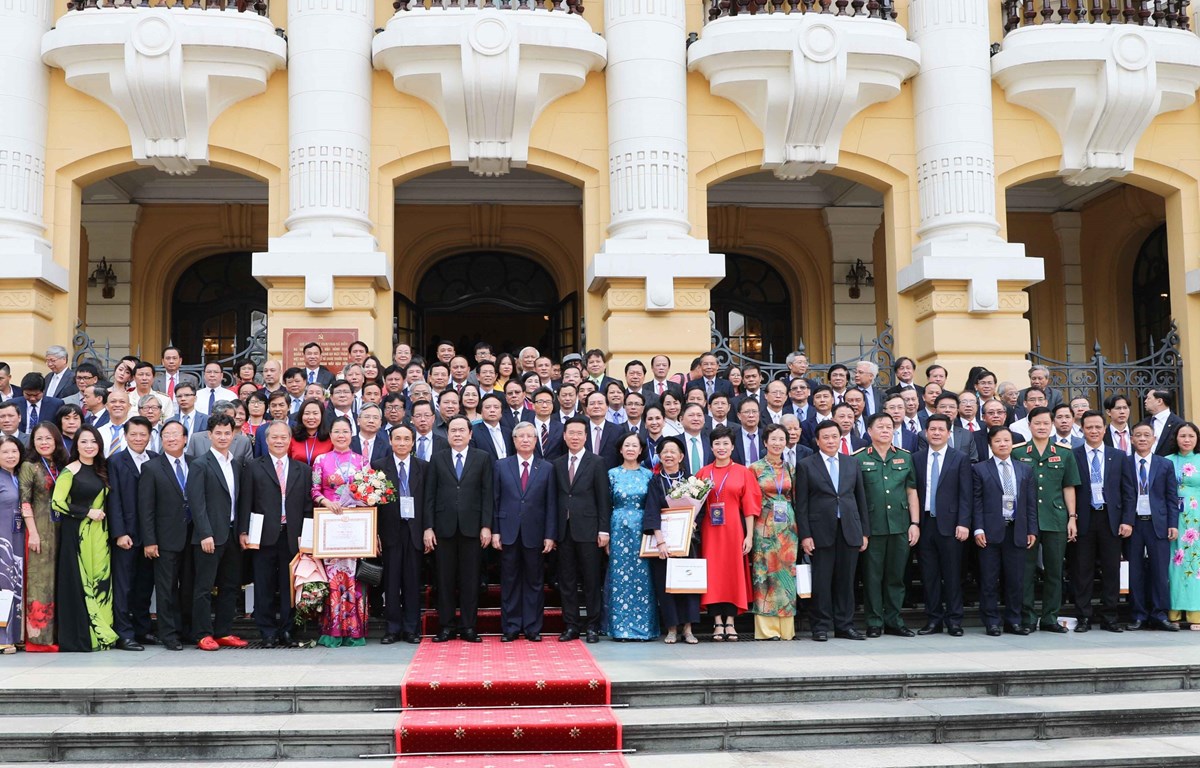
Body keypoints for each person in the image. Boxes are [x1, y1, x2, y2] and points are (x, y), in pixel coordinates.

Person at [795, 420, 869, 642]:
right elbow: (802, 504)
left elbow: (860, 498)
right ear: (817, 441)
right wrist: (805, 535)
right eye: (825, 437)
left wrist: (864, 531)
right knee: (822, 580)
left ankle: (845, 625)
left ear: (840, 439)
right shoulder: (806, 464)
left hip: (849, 529)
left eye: (834, 436)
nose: (830, 441)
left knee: (847, 581)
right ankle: (820, 626)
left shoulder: (851, 463)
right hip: (820, 531)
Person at [239, 420, 312, 647]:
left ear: (290, 440)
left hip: (293, 536)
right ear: (266, 440)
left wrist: (307, 537)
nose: (279, 441)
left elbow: (308, 506)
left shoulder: (303, 469)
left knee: (290, 586)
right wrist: (243, 531)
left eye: (283, 437)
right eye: (274, 437)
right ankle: (267, 632)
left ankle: (288, 630)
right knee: (264, 585)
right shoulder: (253, 466)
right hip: (262, 534)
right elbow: (245, 501)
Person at [424, 415, 493, 643]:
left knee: (470, 580)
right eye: (453, 430)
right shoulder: (438, 458)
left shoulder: (482, 458)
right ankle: (446, 626)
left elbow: (487, 495)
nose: (457, 434)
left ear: (470, 433)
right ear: (448, 433)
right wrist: (428, 528)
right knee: (444, 580)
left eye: (462, 430)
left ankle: (468, 627)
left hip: (473, 529)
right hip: (443, 530)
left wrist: (486, 526)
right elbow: (430, 496)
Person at [1013, 406, 1079, 633]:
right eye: (1037, 423)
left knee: (1054, 570)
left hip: (1056, 517)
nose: (1041, 427)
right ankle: (1028, 617)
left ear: (1052, 426)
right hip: (1026, 520)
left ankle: (1050, 617)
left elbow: (1069, 487)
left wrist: (1072, 518)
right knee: (1025, 571)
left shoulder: (1064, 452)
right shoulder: (1018, 451)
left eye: (1045, 423)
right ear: (1029, 426)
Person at [51, 424, 118, 652]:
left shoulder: (103, 469)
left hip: (100, 535)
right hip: (77, 534)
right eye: (83, 441)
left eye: (93, 442)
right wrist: (86, 512)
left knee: (101, 581)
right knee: (83, 582)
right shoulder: (70, 470)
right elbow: (57, 502)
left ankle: (103, 634)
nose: (89, 446)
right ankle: (88, 636)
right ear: (76, 445)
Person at [492, 422, 558, 642]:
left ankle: (532, 627)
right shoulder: (501, 465)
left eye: (530, 436)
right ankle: (510, 627)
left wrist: (550, 535)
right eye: (521, 436)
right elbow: (495, 500)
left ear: (536, 440)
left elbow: (551, 505)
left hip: (536, 534)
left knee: (534, 582)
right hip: (508, 532)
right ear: (514, 440)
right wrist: (495, 531)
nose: (526, 440)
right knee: (509, 581)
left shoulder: (547, 467)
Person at [187, 414, 248, 652]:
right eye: (218, 433)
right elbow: (196, 502)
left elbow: (238, 500)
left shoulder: (236, 463)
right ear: (209, 435)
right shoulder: (200, 464)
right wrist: (205, 533)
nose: (223, 437)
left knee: (230, 585)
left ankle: (223, 631)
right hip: (209, 536)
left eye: (227, 433)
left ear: (234, 435)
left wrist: (242, 531)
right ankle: (202, 633)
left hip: (232, 534)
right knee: (203, 587)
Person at [856, 413, 919, 638]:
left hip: (900, 526)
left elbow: (911, 491)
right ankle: (874, 621)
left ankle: (894, 620)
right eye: (880, 427)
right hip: (873, 528)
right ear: (869, 431)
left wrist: (915, 523)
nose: (885, 430)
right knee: (872, 576)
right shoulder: (859, 458)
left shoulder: (905, 457)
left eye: (889, 427)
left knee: (896, 576)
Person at [1072, 410, 1136, 633]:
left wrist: (1127, 520)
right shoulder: (1074, 454)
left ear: (1105, 428)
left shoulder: (1118, 456)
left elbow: (1129, 491)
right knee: (1082, 571)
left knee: (1111, 570)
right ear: (1082, 430)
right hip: (1084, 518)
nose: (1094, 431)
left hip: (1111, 519)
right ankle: (1084, 617)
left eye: (1098, 427)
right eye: (1089, 427)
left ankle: (1110, 617)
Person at [310, 418, 371, 647]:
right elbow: (314, 490)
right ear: (331, 434)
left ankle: (354, 629)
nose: (341, 435)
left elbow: (369, 492)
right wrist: (327, 502)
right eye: (337, 432)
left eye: (346, 431)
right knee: (334, 577)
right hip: (331, 525)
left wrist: (359, 505)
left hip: (354, 525)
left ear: (351, 434)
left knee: (354, 577)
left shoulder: (362, 461)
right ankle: (334, 629)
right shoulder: (321, 460)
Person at [696, 425, 761, 641]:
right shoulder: (704, 473)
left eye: (725, 443)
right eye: (717, 443)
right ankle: (716, 622)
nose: (721, 447)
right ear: (711, 447)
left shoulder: (743, 472)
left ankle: (731, 622)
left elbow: (750, 507)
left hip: (734, 530)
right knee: (713, 575)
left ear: (733, 446)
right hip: (710, 531)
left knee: (732, 574)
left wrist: (749, 535)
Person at [973, 426, 1038, 636]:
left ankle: (1014, 620)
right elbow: (977, 502)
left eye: (1007, 440)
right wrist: (978, 528)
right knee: (989, 580)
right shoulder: (980, 469)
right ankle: (991, 621)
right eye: (998, 441)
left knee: (1015, 579)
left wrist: (1032, 530)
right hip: (990, 532)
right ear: (991, 444)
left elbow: (1030, 504)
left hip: (1017, 530)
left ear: (1013, 443)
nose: (1003, 444)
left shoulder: (1024, 469)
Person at [553, 417, 611, 643]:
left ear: (586, 436)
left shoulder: (596, 462)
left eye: (579, 433)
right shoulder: (557, 463)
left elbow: (603, 499)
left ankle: (593, 626)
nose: (575, 437)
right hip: (564, 530)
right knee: (566, 580)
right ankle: (571, 625)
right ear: (564, 436)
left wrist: (604, 530)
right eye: (571, 433)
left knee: (591, 580)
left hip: (589, 530)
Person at [913, 414, 972, 636]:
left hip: (952, 524)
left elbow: (966, 494)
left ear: (949, 433)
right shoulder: (917, 458)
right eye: (932, 429)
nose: (936, 433)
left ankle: (954, 621)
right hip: (925, 522)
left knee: (953, 575)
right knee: (929, 575)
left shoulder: (960, 458)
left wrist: (964, 522)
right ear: (926, 432)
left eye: (941, 429)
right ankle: (933, 620)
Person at [137, 420, 193, 651]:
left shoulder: (195, 463)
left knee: (189, 586)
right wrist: (149, 540)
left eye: (175, 434)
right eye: (166, 434)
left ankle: (187, 630)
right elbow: (146, 508)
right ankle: (168, 634)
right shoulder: (151, 467)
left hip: (192, 537)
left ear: (185, 439)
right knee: (166, 588)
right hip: (164, 538)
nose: (171, 438)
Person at [106, 416, 157, 651]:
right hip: (126, 535)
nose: (138, 438)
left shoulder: (156, 459)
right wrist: (119, 533)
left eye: (143, 434)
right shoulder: (115, 461)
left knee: (144, 585)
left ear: (150, 436)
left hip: (150, 536)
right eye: (133, 434)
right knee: (124, 586)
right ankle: (124, 633)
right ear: (125, 436)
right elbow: (113, 499)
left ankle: (142, 629)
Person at [643, 436, 699, 644]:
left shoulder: (691, 481)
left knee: (687, 584)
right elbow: (651, 511)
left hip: (686, 542)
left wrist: (693, 523)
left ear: (681, 456)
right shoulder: (655, 481)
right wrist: (660, 541)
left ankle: (688, 629)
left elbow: (699, 509)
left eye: (673, 451)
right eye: (664, 451)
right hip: (665, 543)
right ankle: (672, 629)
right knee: (666, 586)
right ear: (659, 456)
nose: (668, 455)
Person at [372, 424, 425, 645]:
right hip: (389, 531)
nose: (402, 443)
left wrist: (429, 529)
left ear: (413, 442)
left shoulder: (424, 467)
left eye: (406, 439)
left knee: (412, 581)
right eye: (397, 439)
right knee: (391, 581)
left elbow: (429, 502)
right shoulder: (378, 467)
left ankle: (411, 628)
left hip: (415, 531)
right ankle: (393, 628)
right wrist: (374, 533)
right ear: (390, 441)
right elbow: (372, 503)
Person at [1127, 422, 1181, 631]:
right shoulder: (1125, 462)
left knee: (1160, 570)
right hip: (1134, 524)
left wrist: (1173, 524)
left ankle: (1160, 614)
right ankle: (1138, 614)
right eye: (1138, 435)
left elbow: (1171, 497)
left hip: (1158, 523)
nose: (1142, 439)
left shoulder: (1164, 465)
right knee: (1136, 570)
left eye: (1146, 435)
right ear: (1132, 439)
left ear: (1154, 439)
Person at [603, 431, 656, 641]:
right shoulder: (612, 474)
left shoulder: (648, 475)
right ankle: (620, 628)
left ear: (641, 450)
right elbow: (606, 505)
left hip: (643, 529)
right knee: (619, 578)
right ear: (620, 449)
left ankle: (644, 628)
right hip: (618, 529)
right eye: (627, 445)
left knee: (643, 578)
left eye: (635, 445)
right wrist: (606, 533)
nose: (631, 449)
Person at [19, 423, 68, 651]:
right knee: (41, 581)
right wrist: (34, 533)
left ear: (56, 440)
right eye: (39, 439)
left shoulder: (62, 464)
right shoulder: (30, 466)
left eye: (48, 438)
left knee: (61, 580)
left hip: (63, 528)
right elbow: (25, 501)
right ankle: (40, 639)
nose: (44, 443)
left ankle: (60, 634)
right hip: (40, 527)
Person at [748, 424, 798, 641]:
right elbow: (750, 500)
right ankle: (766, 630)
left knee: (786, 574)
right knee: (764, 575)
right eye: (773, 439)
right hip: (764, 526)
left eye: (781, 439)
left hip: (787, 529)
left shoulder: (790, 468)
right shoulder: (754, 469)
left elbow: (795, 497)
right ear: (765, 442)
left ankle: (786, 629)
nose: (777, 443)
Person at [1167, 422, 1200, 629]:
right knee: (1174, 562)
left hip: (1196, 517)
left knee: (1196, 563)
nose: (1186, 440)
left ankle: (1195, 611)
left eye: (1191, 436)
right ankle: (1174, 611)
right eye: (1182, 436)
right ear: (1175, 438)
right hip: (1174, 518)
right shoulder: (1166, 461)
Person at [0, 436, 24, 653]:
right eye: (5, 452)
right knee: (3, 587)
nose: (10, 456)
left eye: (14, 452)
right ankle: (2, 637)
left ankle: (14, 635)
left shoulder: (17, 476)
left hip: (17, 538)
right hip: (2, 540)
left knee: (15, 586)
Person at [1142, 388, 1184, 456]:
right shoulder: (1144, 422)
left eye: (1149, 398)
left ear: (1159, 401)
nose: (1145, 401)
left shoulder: (1178, 424)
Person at [290, 399, 332, 466]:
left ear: (322, 415)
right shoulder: (292, 437)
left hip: (323, 476)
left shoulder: (330, 438)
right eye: (307, 413)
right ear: (301, 416)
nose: (311, 417)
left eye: (315, 413)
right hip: (298, 475)